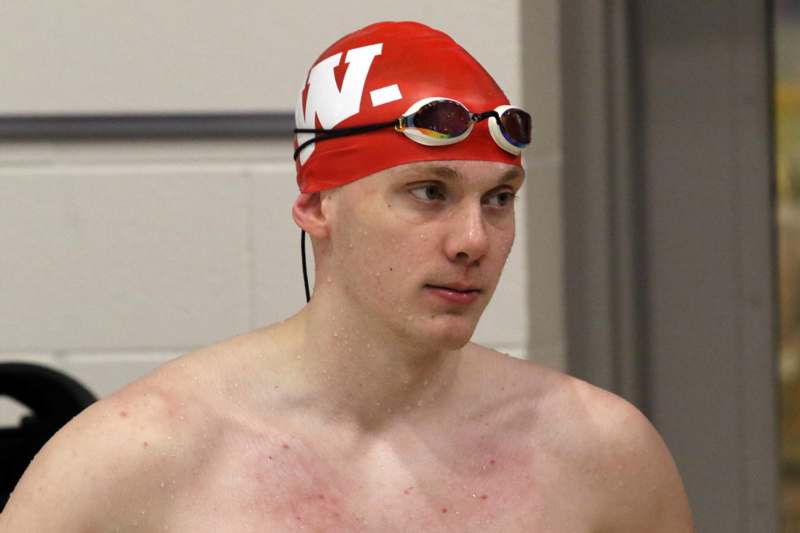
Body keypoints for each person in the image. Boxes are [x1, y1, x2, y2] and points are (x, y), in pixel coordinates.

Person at [0, 21, 695, 532]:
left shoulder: (603, 452)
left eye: (499, 198)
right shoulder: (132, 458)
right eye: (429, 191)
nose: (473, 240)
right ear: (315, 205)